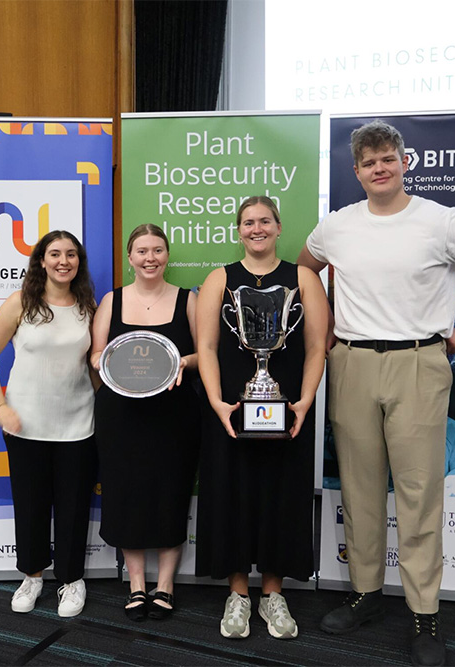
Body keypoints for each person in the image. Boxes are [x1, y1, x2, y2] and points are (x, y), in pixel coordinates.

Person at [297, 120, 455, 666]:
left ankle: (425, 614)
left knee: (420, 494)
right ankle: (366, 595)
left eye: (388, 159)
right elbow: (306, 272)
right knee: (358, 486)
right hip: (351, 362)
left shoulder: (441, 221)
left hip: (420, 363)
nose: (379, 168)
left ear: (405, 162)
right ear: (356, 172)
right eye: (368, 162)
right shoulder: (336, 227)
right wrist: (323, 330)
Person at [195, 196, 328, 640]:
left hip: (286, 408)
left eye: (265, 221)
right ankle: (238, 595)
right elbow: (208, 348)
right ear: (239, 230)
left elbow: (315, 347)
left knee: (282, 496)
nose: (257, 229)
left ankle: (273, 594)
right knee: (232, 494)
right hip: (232, 410)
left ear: (278, 226)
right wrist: (216, 402)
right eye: (248, 222)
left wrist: (305, 401)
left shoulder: (303, 278)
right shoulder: (219, 279)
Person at [0, 230, 98, 618]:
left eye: (71, 255)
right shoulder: (20, 303)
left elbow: (94, 367)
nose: (64, 261)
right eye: (55, 254)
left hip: (78, 424)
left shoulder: (88, 306)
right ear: (41, 261)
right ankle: (32, 576)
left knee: (73, 507)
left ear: (79, 262)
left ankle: (71, 580)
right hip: (24, 425)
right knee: (30, 505)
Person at [90, 224, 201, 622]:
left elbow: (205, 353)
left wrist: (179, 364)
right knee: (125, 495)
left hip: (173, 417)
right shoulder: (111, 301)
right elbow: (97, 354)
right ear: (130, 257)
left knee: (170, 493)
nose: (150, 257)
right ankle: (136, 585)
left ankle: (165, 586)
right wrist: (109, 366)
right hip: (121, 416)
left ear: (167, 255)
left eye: (157, 250)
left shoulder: (188, 300)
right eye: (142, 250)